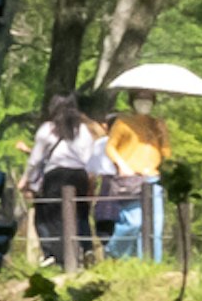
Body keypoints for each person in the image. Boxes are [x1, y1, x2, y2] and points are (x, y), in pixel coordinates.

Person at [17, 91, 118, 269]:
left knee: (49, 214)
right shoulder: (83, 130)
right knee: (79, 213)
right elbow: (89, 159)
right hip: (79, 175)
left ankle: (56, 255)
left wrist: (27, 180)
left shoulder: (47, 129)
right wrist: (90, 182)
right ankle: (85, 249)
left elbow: (35, 160)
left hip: (55, 175)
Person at [102, 93, 169, 259]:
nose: (144, 103)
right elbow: (110, 147)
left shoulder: (156, 124)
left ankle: (151, 263)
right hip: (132, 179)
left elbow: (166, 153)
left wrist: (163, 133)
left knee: (155, 226)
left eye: (148, 99)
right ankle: (113, 251)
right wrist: (122, 165)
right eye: (140, 99)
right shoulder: (124, 122)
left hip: (153, 178)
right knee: (133, 222)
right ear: (132, 102)